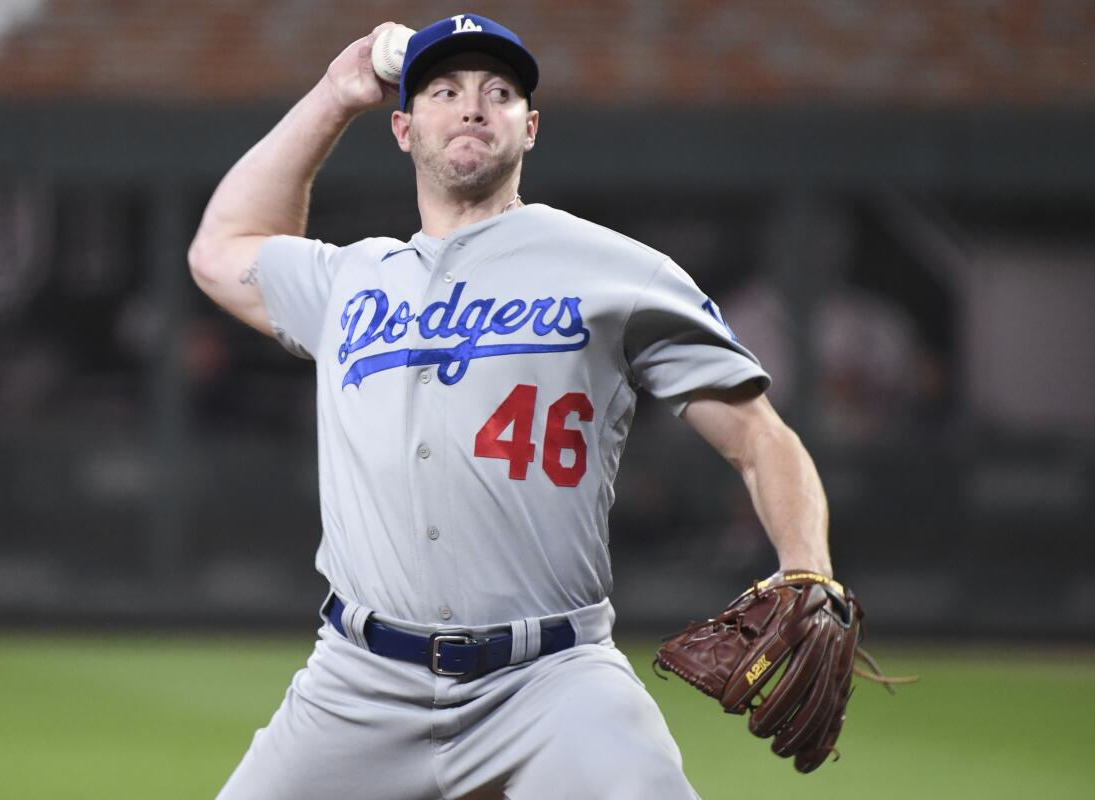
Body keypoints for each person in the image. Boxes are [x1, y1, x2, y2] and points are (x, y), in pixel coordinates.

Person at [188, 13, 832, 800]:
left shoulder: (616, 271)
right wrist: (333, 95)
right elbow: (221, 249)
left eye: (498, 92)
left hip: (552, 681)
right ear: (402, 126)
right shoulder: (351, 281)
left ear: (529, 128)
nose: (471, 107)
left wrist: (810, 569)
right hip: (357, 685)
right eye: (444, 90)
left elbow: (760, 437)